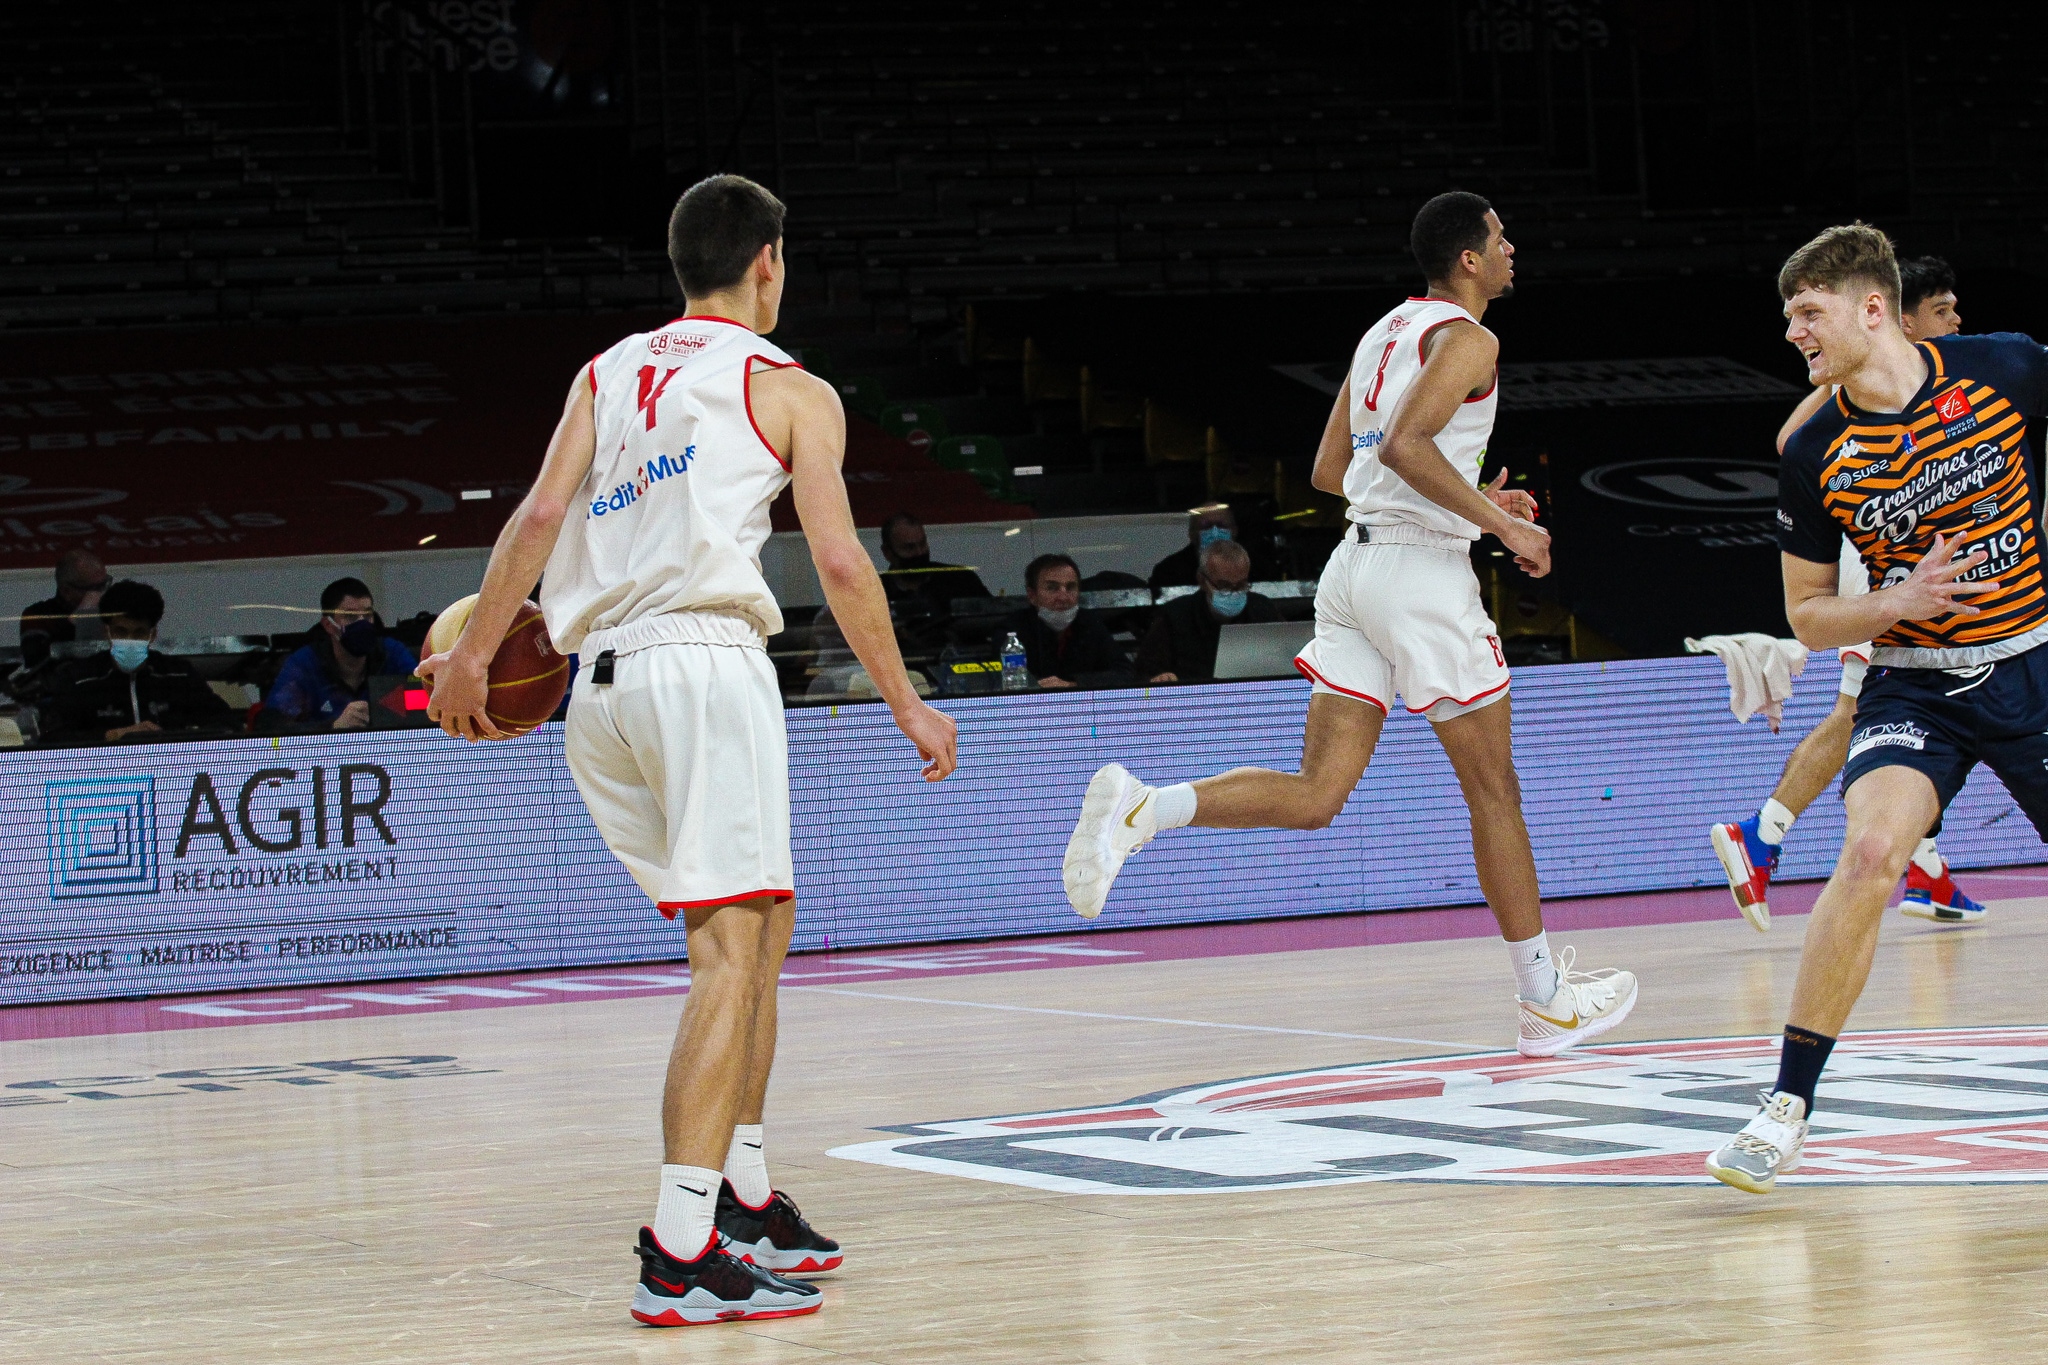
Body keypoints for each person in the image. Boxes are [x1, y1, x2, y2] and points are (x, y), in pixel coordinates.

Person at [418, 174, 957, 1325]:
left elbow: (539, 520)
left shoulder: (607, 369)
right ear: (768, 261)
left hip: (600, 691)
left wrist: (468, 658)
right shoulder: (790, 389)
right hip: (701, 668)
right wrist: (906, 701)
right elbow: (843, 565)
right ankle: (679, 1250)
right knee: (729, 956)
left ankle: (745, 1194)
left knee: (759, 933)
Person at [1062, 190, 1637, 1057]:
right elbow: (1407, 448)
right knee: (1495, 794)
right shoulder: (1471, 337)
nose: (1514, 247)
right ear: (1470, 260)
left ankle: (1147, 807)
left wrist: (1476, 503)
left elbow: (1335, 468)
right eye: (1501, 237)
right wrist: (1503, 523)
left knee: (1319, 794)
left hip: (1354, 567)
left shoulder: (1384, 331)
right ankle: (1545, 999)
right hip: (1418, 577)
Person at [1705, 224, 2048, 1194]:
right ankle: (1783, 1108)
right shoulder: (1814, 449)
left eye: (1805, 314)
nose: (1791, 334)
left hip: (2030, 663)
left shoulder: (2004, 370)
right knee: (1866, 852)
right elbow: (1806, 616)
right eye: (1786, 318)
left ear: (1868, 307)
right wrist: (1892, 604)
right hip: (1914, 684)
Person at [1712, 254, 1982, 927]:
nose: (1957, 319)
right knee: (1866, 712)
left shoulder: (1943, 377)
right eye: (1943, 309)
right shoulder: (1863, 378)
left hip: (1928, 573)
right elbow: (1792, 438)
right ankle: (1761, 832)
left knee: (1923, 706)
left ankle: (1927, 870)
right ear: (1904, 318)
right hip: (1882, 570)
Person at [37, 579, 234, 744]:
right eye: (121, 632)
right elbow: (51, 738)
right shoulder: (80, 679)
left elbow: (227, 724)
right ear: (107, 632)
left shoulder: (178, 675)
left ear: (152, 635)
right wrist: (113, 735)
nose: (130, 640)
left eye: (139, 633)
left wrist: (176, 737)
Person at [259, 578, 419, 733]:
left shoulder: (392, 653)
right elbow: (272, 726)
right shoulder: (305, 664)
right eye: (350, 617)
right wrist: (332, 728)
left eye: (368, 615)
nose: (362, 623)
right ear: (328, 625)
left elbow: (425, 701)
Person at [1134, 539, 1282, 683]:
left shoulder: (1263, 611)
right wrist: (1161, 679)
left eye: (1241, 585)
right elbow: (1143, 675)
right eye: (1224, 586)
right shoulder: (1174, 617)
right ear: (1202, 581)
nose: (1233, 592)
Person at [1006, 553, 1132, 689]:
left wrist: (1074, 684)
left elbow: (1126, 674)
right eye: (1052, 588)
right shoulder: (1012, 629)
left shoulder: (1090, 623)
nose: (1063, 597)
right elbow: (1007, 680)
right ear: (1032, 596)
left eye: (1070, 587)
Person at [877, 511, 991, 647]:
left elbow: (992, 619)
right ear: (887, 553)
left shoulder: (960, 579)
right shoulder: (875, 592)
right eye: (909, 548)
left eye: (923, 544)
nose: (919, 553)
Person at [1146, 503, 1279, 590]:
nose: (1215, 531)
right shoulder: (1169, 570)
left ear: (1234, 531)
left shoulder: (1258, 565)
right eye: (1206, 527)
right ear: (1192, 534)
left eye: (1221, 526)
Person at [19, 549, 109, 661]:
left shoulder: (109, 610)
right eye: (94, 589)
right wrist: (80, 616)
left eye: (105, 584)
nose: (102, 593)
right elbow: (34, 658)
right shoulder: (37, 615)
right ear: (66, 591)